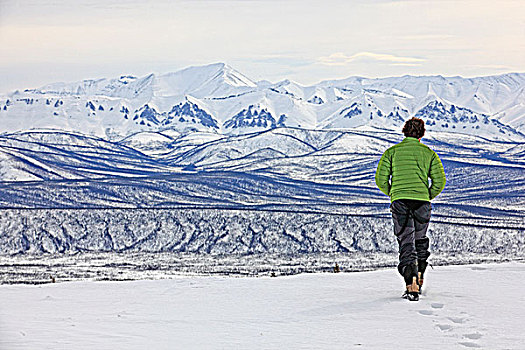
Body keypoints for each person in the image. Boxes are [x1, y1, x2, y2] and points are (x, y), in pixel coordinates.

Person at [375, 117, 446, 301]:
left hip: (400, 202)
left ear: (404, 131)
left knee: (406, 241)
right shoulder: (429, 154)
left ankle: (411, 283)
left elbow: (380, 179)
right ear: (422, 134)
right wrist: (427, 195)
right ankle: (420, 273)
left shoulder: (392, 152)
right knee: (419, 239)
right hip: (422, 202)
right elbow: (440, 181)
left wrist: (393, 193)